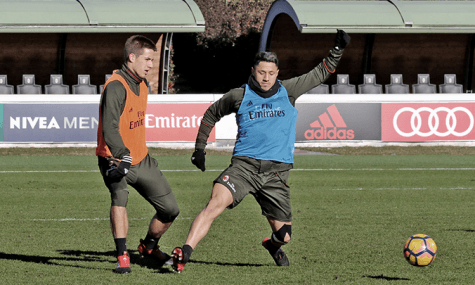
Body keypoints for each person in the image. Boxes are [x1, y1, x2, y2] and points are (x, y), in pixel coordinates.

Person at [171, 30, 351, 273]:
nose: (266, 78)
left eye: (271, 73)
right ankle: (185, 253)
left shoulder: (288, 91)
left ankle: (272, 246)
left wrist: (337, 49)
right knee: (214, 204)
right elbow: (211, 114)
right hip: (243, 168)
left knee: (284, 235)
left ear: (277, 73)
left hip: (276, 174)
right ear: (253, 71)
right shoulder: (239, 95)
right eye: (261, 72)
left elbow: (320, 73)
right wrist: (199, 148)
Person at [96, 35, 180, 274]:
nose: (151, 65)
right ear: (131, 57)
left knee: (170, 209)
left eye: (153, 59)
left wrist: (133, 154)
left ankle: (148, 247)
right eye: (147, 59)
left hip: (141, 159)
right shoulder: (115, 86)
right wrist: (122, 154)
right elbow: (109, 127)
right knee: (119, 197)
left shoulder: (143, 84)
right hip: (115, 158)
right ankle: (122, 256)